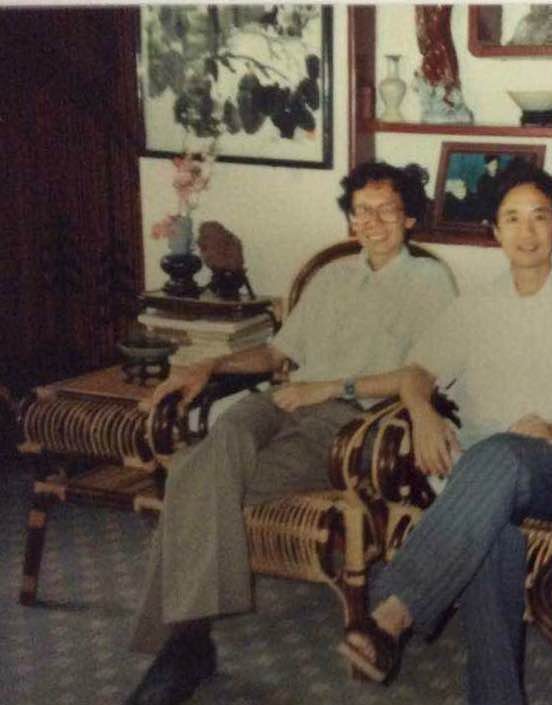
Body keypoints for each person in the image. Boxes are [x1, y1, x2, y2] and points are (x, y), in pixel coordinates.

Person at [125, 161, 458, 705]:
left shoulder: (430, 282)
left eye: (387, 210)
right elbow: (277, 353)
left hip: (349, 423)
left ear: (410, 219)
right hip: (282, 402)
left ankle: (186, 642)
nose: (373, 222)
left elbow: (421, 373)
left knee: (191, 474)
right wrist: (210, 366)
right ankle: (188, 642)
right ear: (350, 219)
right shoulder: (332, 277)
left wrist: (329, 387)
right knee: (222, 440)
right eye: (362, 211)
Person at [336, 160, 552, 705]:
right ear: (494, 230)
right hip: (479, 472)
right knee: (494, 533)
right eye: (512, 218)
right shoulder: (475, 304)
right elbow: (417, 373)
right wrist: (423, 415)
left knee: (500, 456)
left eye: (539, 217)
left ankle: (394, 611)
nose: (526, 231)